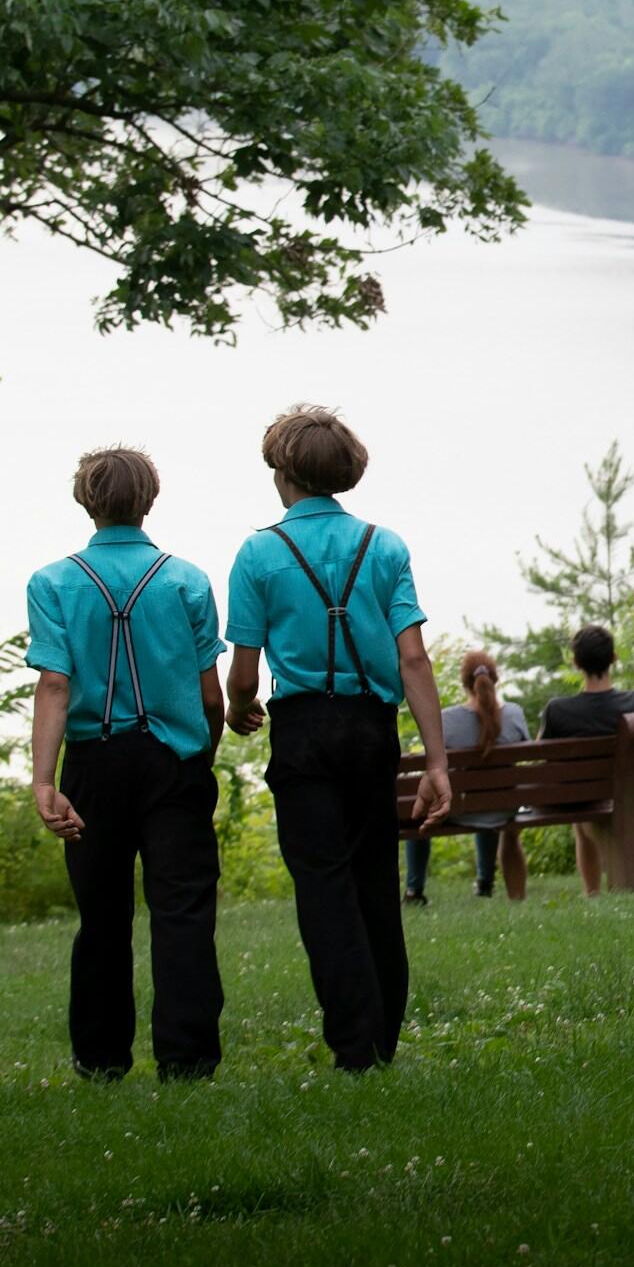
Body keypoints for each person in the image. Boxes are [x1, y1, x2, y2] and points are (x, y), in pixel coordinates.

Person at [225, 405, 452, 1070]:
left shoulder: (259, 552)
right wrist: (436, 761)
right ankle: (382, 1036)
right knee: (374, 880)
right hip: (370, 729)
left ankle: (355, 1045)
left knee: (322, 885)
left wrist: (242, 709)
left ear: (283, 472)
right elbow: (413, 659)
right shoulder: (385, 546)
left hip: (301, 732)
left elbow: (243, 670)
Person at [24, 448, 227, 1081]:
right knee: (183, 911)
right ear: (150, 500)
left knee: (102, 917)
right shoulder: (186, 580)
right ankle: (188, 1060)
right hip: (173, 761)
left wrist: (43, 780)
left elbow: (55, 685)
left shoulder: (52, 583)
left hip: (92, 764)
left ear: (85, 501)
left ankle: (102, 1057)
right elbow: (210, 696)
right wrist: (201, 757)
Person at [402, 650, 532, 905]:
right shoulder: (515, 714)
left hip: (459, 809)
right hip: (503, 808)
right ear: (495, 680)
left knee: (422, 811)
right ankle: (485, 882)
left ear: (464, 683)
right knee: (489, 801)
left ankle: (414, 892)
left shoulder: (447, 719)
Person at [540, 624, 634, 895]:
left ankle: (592, 892)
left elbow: (544, 757)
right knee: (598, 797)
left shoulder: (558, 710)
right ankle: (601, 889)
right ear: (614, 658)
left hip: (578, 795)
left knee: (583, 809)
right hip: (629, 791)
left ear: (576, 663)